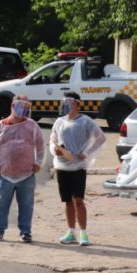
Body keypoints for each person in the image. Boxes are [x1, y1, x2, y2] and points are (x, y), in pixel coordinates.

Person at [0, 95, 45, 243]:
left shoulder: (32, 125)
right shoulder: (0, 126)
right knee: (1, 204)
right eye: (20, 105)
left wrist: (39, 163)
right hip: (5, 174)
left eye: (26, 106)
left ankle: (25, 231)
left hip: (26, 175)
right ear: (12, 106)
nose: (23, 108)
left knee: (26, 205)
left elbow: (41, 145)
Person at [51, 91, 106, 246]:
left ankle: (83, 233)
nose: (66, 104)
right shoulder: (59, 122)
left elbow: (101, 138)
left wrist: (87, 153)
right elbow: (53, 140)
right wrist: (55, 150)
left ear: (77, 103)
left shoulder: (86, 121)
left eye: (69, 101)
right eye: (63, 102)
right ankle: (70, 232)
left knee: (79, 200)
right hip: (62, 166)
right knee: (67, 201)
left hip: (78, 167)